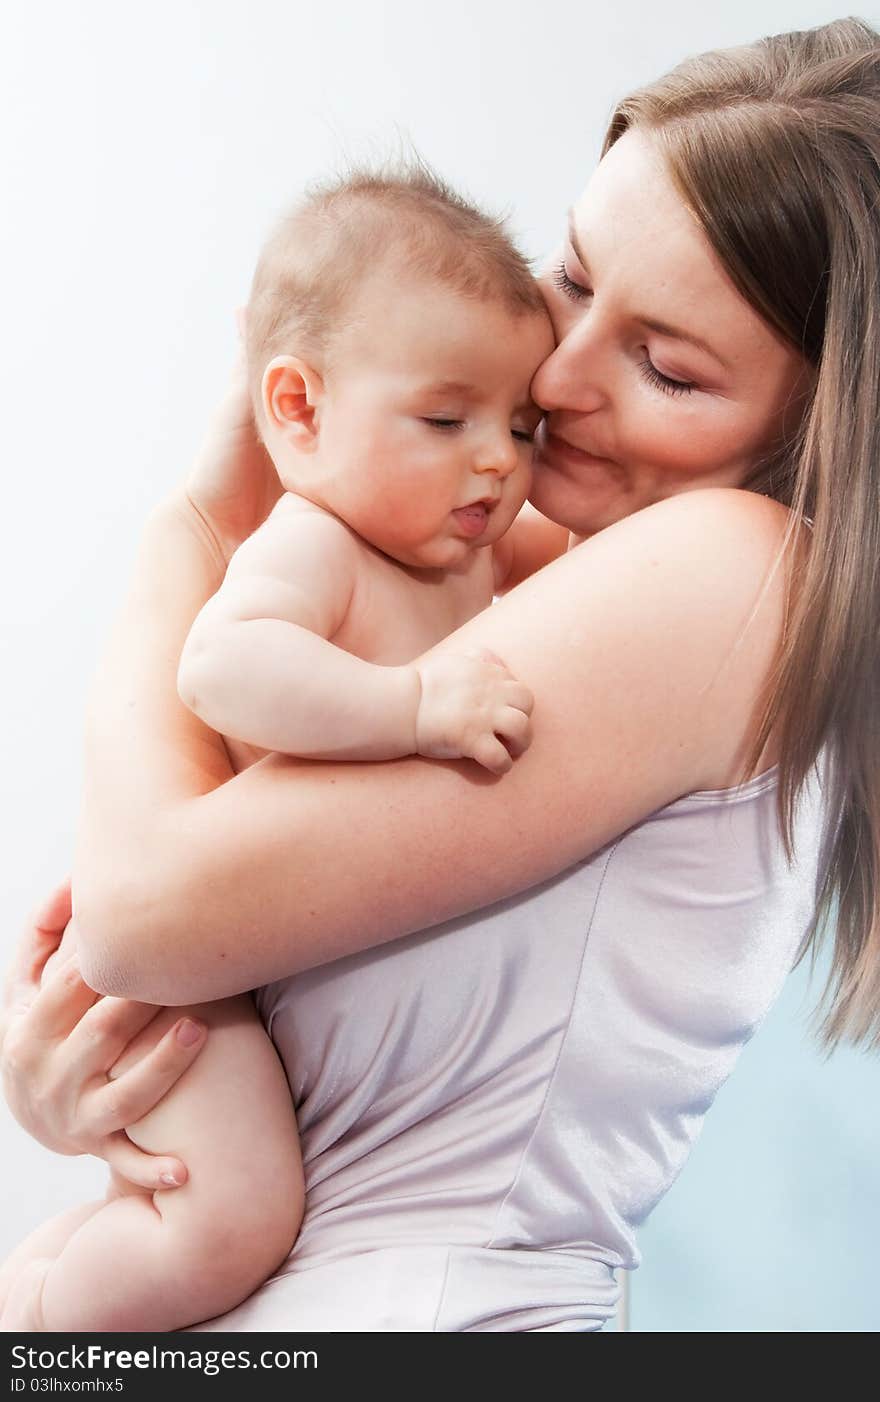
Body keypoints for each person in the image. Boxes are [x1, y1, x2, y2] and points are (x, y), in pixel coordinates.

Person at [2, 16, 878, 1332]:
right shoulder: (508, 572)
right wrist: (119, 1084)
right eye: (573, 282)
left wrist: (191, 527)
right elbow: (173, 952)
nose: (557, 378)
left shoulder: (733, 568)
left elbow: (138, 905)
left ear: (821, 433)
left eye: (665, 364)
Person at [0, 170, 559, 1331]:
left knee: (200, 1205)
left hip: (253, 956)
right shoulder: (315, 545)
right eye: (447, 419)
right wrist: (409, 706)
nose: (498, 459)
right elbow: (226, 667)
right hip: (194, 979)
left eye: (521, 422)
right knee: (233, 1214)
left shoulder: (465, 558)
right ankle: (48, 1315)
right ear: (296, 409)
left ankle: (73, 1258)